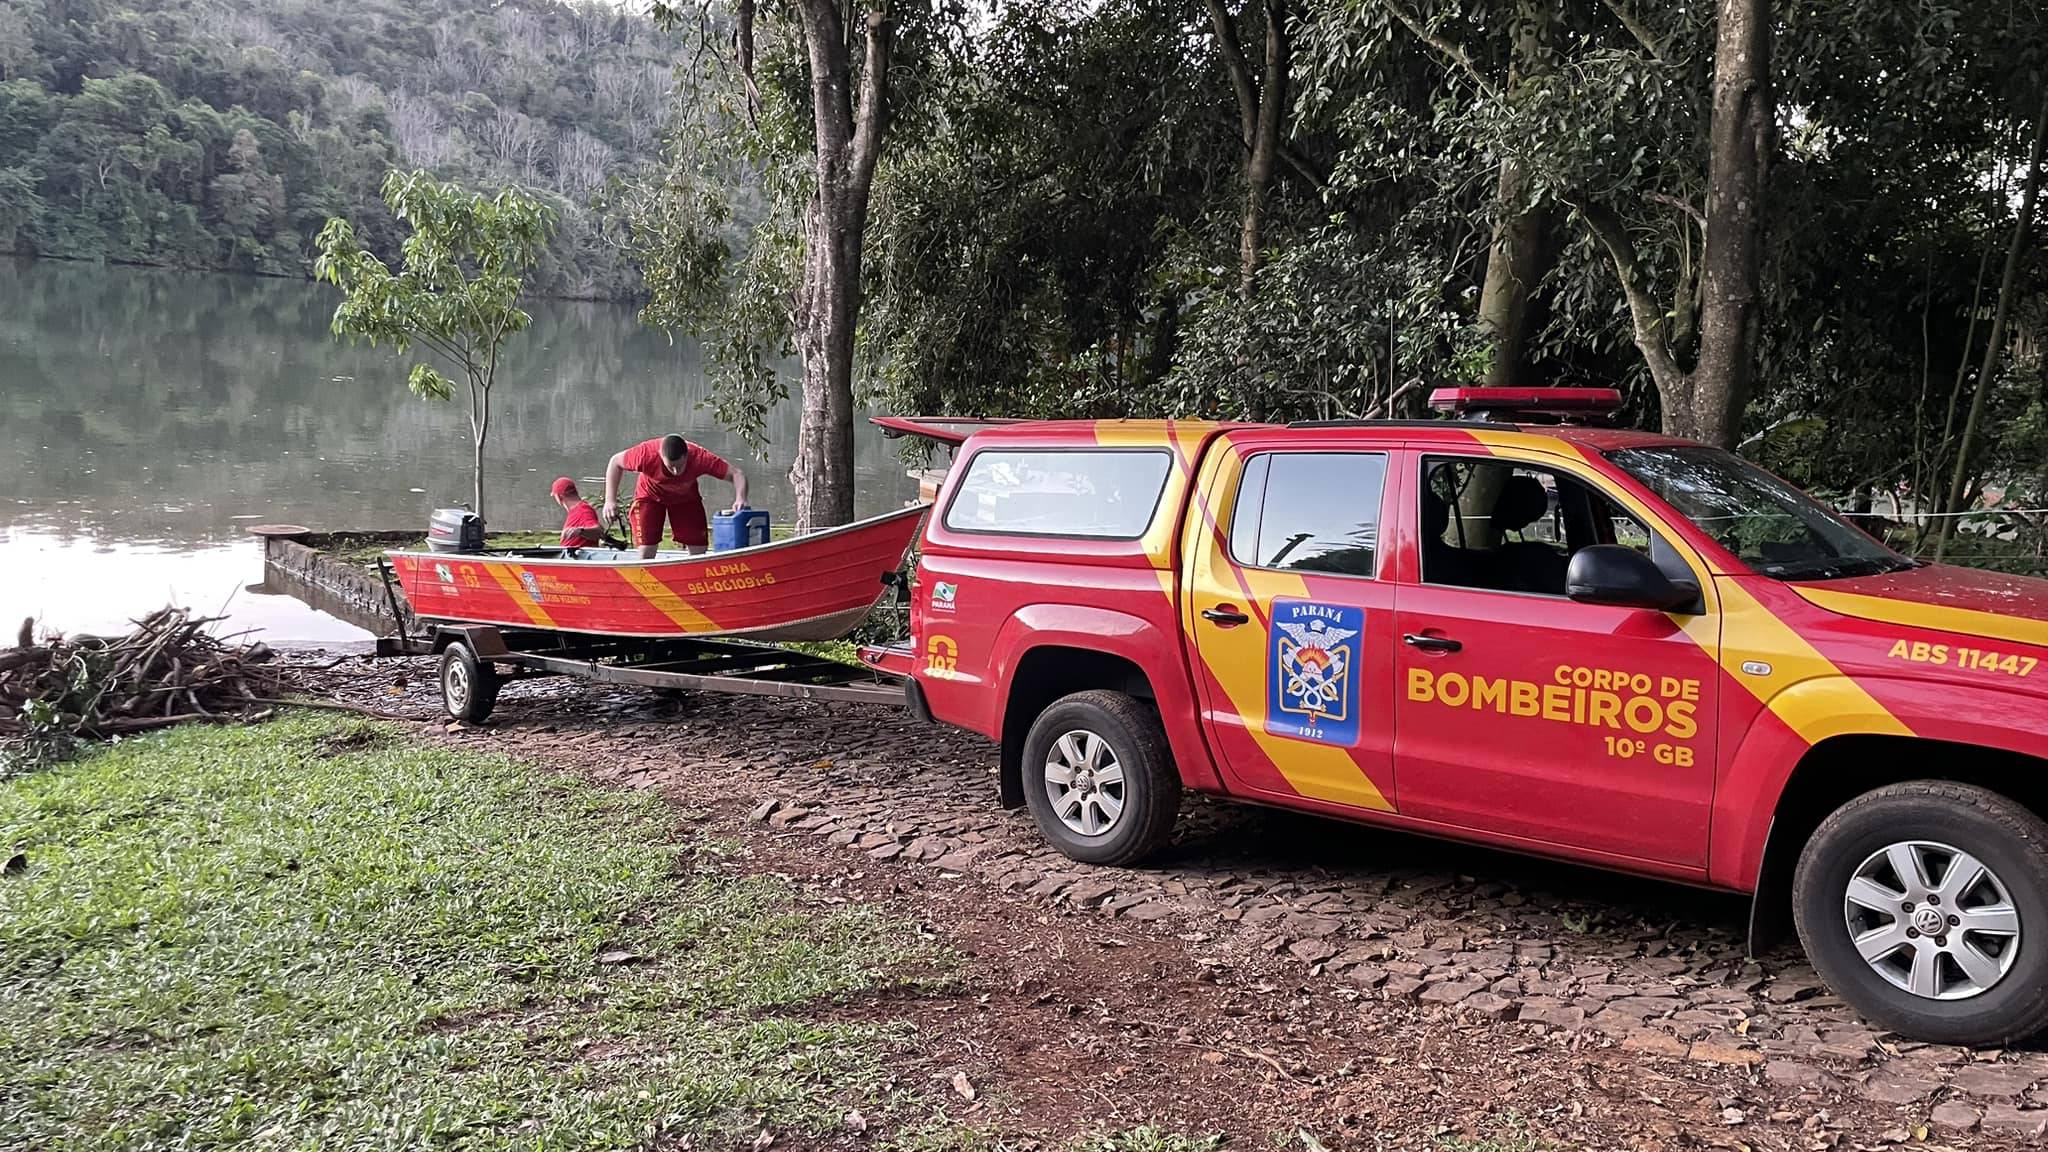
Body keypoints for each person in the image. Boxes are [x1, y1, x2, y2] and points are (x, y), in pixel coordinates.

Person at [603, 434, 749, 558]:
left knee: (699, 549)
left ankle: (694, 583)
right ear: (661, 456)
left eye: (679, 466)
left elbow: (737, 474)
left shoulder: (699, 458)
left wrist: (740, 498)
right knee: (646, 549)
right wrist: (610, 500)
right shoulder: (645, 454)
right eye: (669, 466)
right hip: (649, 496)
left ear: (687, 456)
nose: (675, 471)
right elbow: (615, 462)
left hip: (685, 498)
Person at [551, 477, 603, 548]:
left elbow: (599, 532)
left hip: (579, 557)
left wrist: (580, 531)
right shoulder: (576, 510)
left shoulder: (583, 510)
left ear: (559, 497)